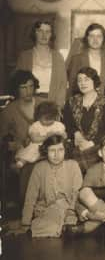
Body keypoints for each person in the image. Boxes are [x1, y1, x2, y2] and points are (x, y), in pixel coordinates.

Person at [21, 134, 83, 238]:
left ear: (65, 150)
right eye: (52, 150)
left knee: (66, 223)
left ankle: (62, 228)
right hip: (46, 210)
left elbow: (77, 192)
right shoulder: (39, 168)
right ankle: (57, 229)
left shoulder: (73, 165)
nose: (56, 155)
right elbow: (30, 197)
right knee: (51, 224)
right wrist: (25, 223)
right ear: (46, 151)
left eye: (60, 150)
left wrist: (71, 212)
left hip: (69, 210)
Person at [63, 67, 105, 172]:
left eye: (86, 79)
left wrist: (92, 143)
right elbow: (67, 124)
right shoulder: (71, 102)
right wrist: (76, 133)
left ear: (95, 81)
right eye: (80, 80)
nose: (83, 83)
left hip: (99, 145)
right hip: (77, 144)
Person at [0, 71, 44, 200]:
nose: (28, 91)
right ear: (16, 89)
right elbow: (2, 137)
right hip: (22, 152)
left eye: (31, 86)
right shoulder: (9, 111)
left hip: (45, 147)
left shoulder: (44, 103)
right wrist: (15, 145)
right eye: (23, 87)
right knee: (28, 167)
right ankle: (28, 204)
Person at [16, 20, 67, 107]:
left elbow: (63, 84)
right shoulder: (24, 56)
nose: (44, 35)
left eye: (48, 31)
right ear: (34, 33)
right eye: (40, 31)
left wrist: (58, 106)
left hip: (52, 102)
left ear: (51, 34)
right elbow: (18, 83)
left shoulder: (58, 56)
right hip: (29, 103)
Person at [67, 23, 105, 94]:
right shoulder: (76, 59)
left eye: (99, 36)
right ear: (87, 38)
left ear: (104, 39)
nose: (95, 40)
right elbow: (72, 85)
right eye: (92, 36)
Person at [15, 101, 66, 169]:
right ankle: (22, 161)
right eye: (45, 119)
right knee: (31, 150)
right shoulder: (36, 126)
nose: (48, 122)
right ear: (39, 117)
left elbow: (64, 136)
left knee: (59, 150)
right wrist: (47, 136)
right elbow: (34, 139)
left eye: (51, 119)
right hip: (38, 145)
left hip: (52, 145)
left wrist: (62, 134)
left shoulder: (58, 125)